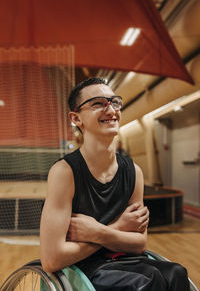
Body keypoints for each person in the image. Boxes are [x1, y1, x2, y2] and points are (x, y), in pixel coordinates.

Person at [40, 78, 190, 290]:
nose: (110, 109)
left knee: (176, 273)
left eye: (114, 102)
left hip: (124, 261)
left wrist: (97, 232)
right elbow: (51, 259)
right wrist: (119, 228)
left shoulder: (133, 172)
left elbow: (139, 244)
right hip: (83, 268)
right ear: (76, 118)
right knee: (148, 282)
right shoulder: (65, 172)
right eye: (98, 103)